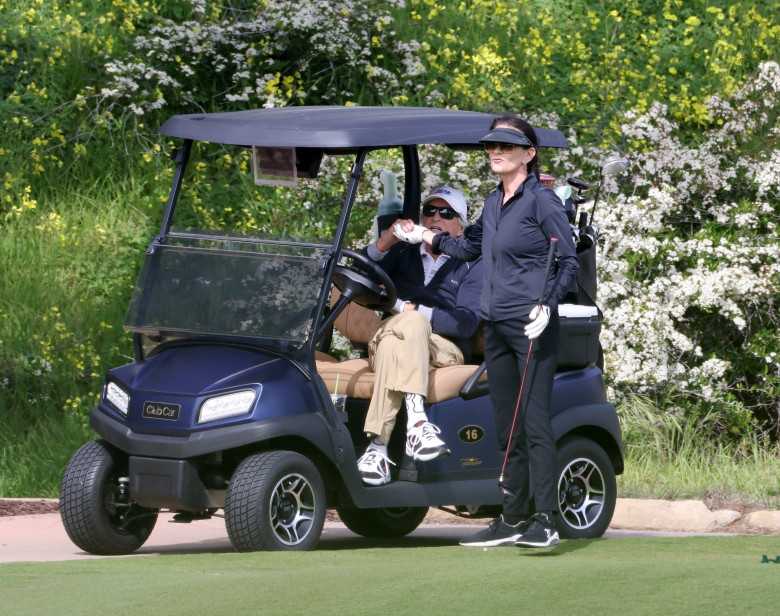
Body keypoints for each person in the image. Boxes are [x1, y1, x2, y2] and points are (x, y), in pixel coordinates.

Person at [395, 117, 578, 547]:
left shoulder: (542, 202)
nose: (495, 151)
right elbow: (470, 247)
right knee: (506, 425)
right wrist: (424, 234)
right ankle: (513, 517)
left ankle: (547, 520)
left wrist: (547, 307)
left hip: (530, 325)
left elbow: (567, 261)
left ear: (528, 155)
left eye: (506, 145)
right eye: (492, 145)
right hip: (495, 326)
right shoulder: (494, 201)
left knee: (534, 424)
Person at [355, 186, 483, 487]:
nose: (436, 217)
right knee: (403, 329)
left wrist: (411, 309)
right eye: (430, 211)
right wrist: (389, 238)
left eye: (446, 213)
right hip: (390, 332)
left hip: (443, 347)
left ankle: (377, 446)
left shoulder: (471, 262)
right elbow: (360, 273)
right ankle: (417, 422)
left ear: (460, 226)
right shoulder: (403, 251)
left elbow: (465, 324)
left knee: (405, 329)